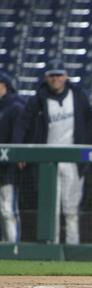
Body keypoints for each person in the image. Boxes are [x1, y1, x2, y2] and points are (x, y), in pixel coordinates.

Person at [13, 59, 92, 244]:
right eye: (52, 75)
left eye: (59, 75)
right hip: (47, 162)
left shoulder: (78, 95)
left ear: (65, 76)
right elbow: (23, 124)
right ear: (46, 77)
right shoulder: (39, 98)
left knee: (71, 208)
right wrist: (18, 148)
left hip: (73, 160)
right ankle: (51, 245)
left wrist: (86, 151)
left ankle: (72, 247)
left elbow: (90, 123)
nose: (56, 79)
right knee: (51, 208)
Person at [0, 71, 24, 242]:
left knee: (8, 209)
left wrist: (18, 156)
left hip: (8, 167)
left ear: (4, 86)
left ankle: (13, 246)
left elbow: (19, 136)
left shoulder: (15, 106)